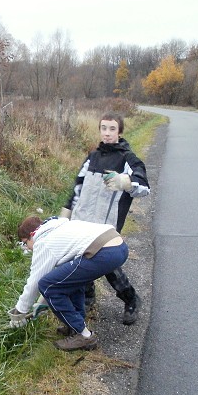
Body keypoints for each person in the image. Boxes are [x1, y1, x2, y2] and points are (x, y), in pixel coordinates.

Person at [59, 112, 150, 325]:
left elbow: (144, 186)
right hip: (82, 222)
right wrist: (66, 211)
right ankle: (88, 302)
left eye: (112, 129)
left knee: (106, 265)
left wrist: (126, 183)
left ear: (119, 132)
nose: (107, 133)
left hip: (106, 227)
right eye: (103, 128)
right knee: (82, 260)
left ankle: (131, 299)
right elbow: (78, 187)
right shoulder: (92, 157)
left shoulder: (127, 158)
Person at [8, 216, 129, 351]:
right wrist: (40, 303)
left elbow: (35, 283)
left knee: (47, 285)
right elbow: (62, 277)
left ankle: (84, 336)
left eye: (25, 243)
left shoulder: (43, 242)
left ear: (32, 235)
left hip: (106, 253)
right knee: (69, 281)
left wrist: (19, 311)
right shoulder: (58, 227)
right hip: (119, 246)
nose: (27, 248)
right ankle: (75, 325)